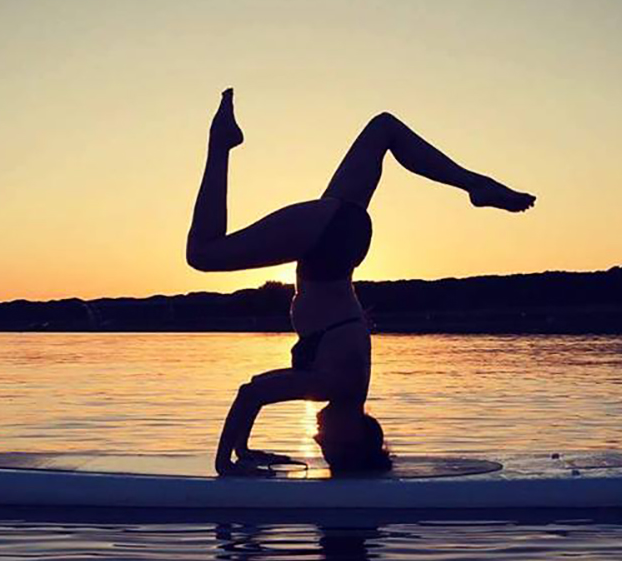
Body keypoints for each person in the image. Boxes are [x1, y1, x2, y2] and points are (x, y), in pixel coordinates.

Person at [187, 89, 535, 476]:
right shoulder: (337, 384)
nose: (318, 439)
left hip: (337, 242)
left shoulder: (345, 386)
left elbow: (254, 393)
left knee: (383, 129)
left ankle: (475, 183)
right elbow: (250, 393)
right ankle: (220, 144)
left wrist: (244, 449)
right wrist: (225, 463)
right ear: (354, 435)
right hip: (326, 244)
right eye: (330, 445)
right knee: (203, 254)